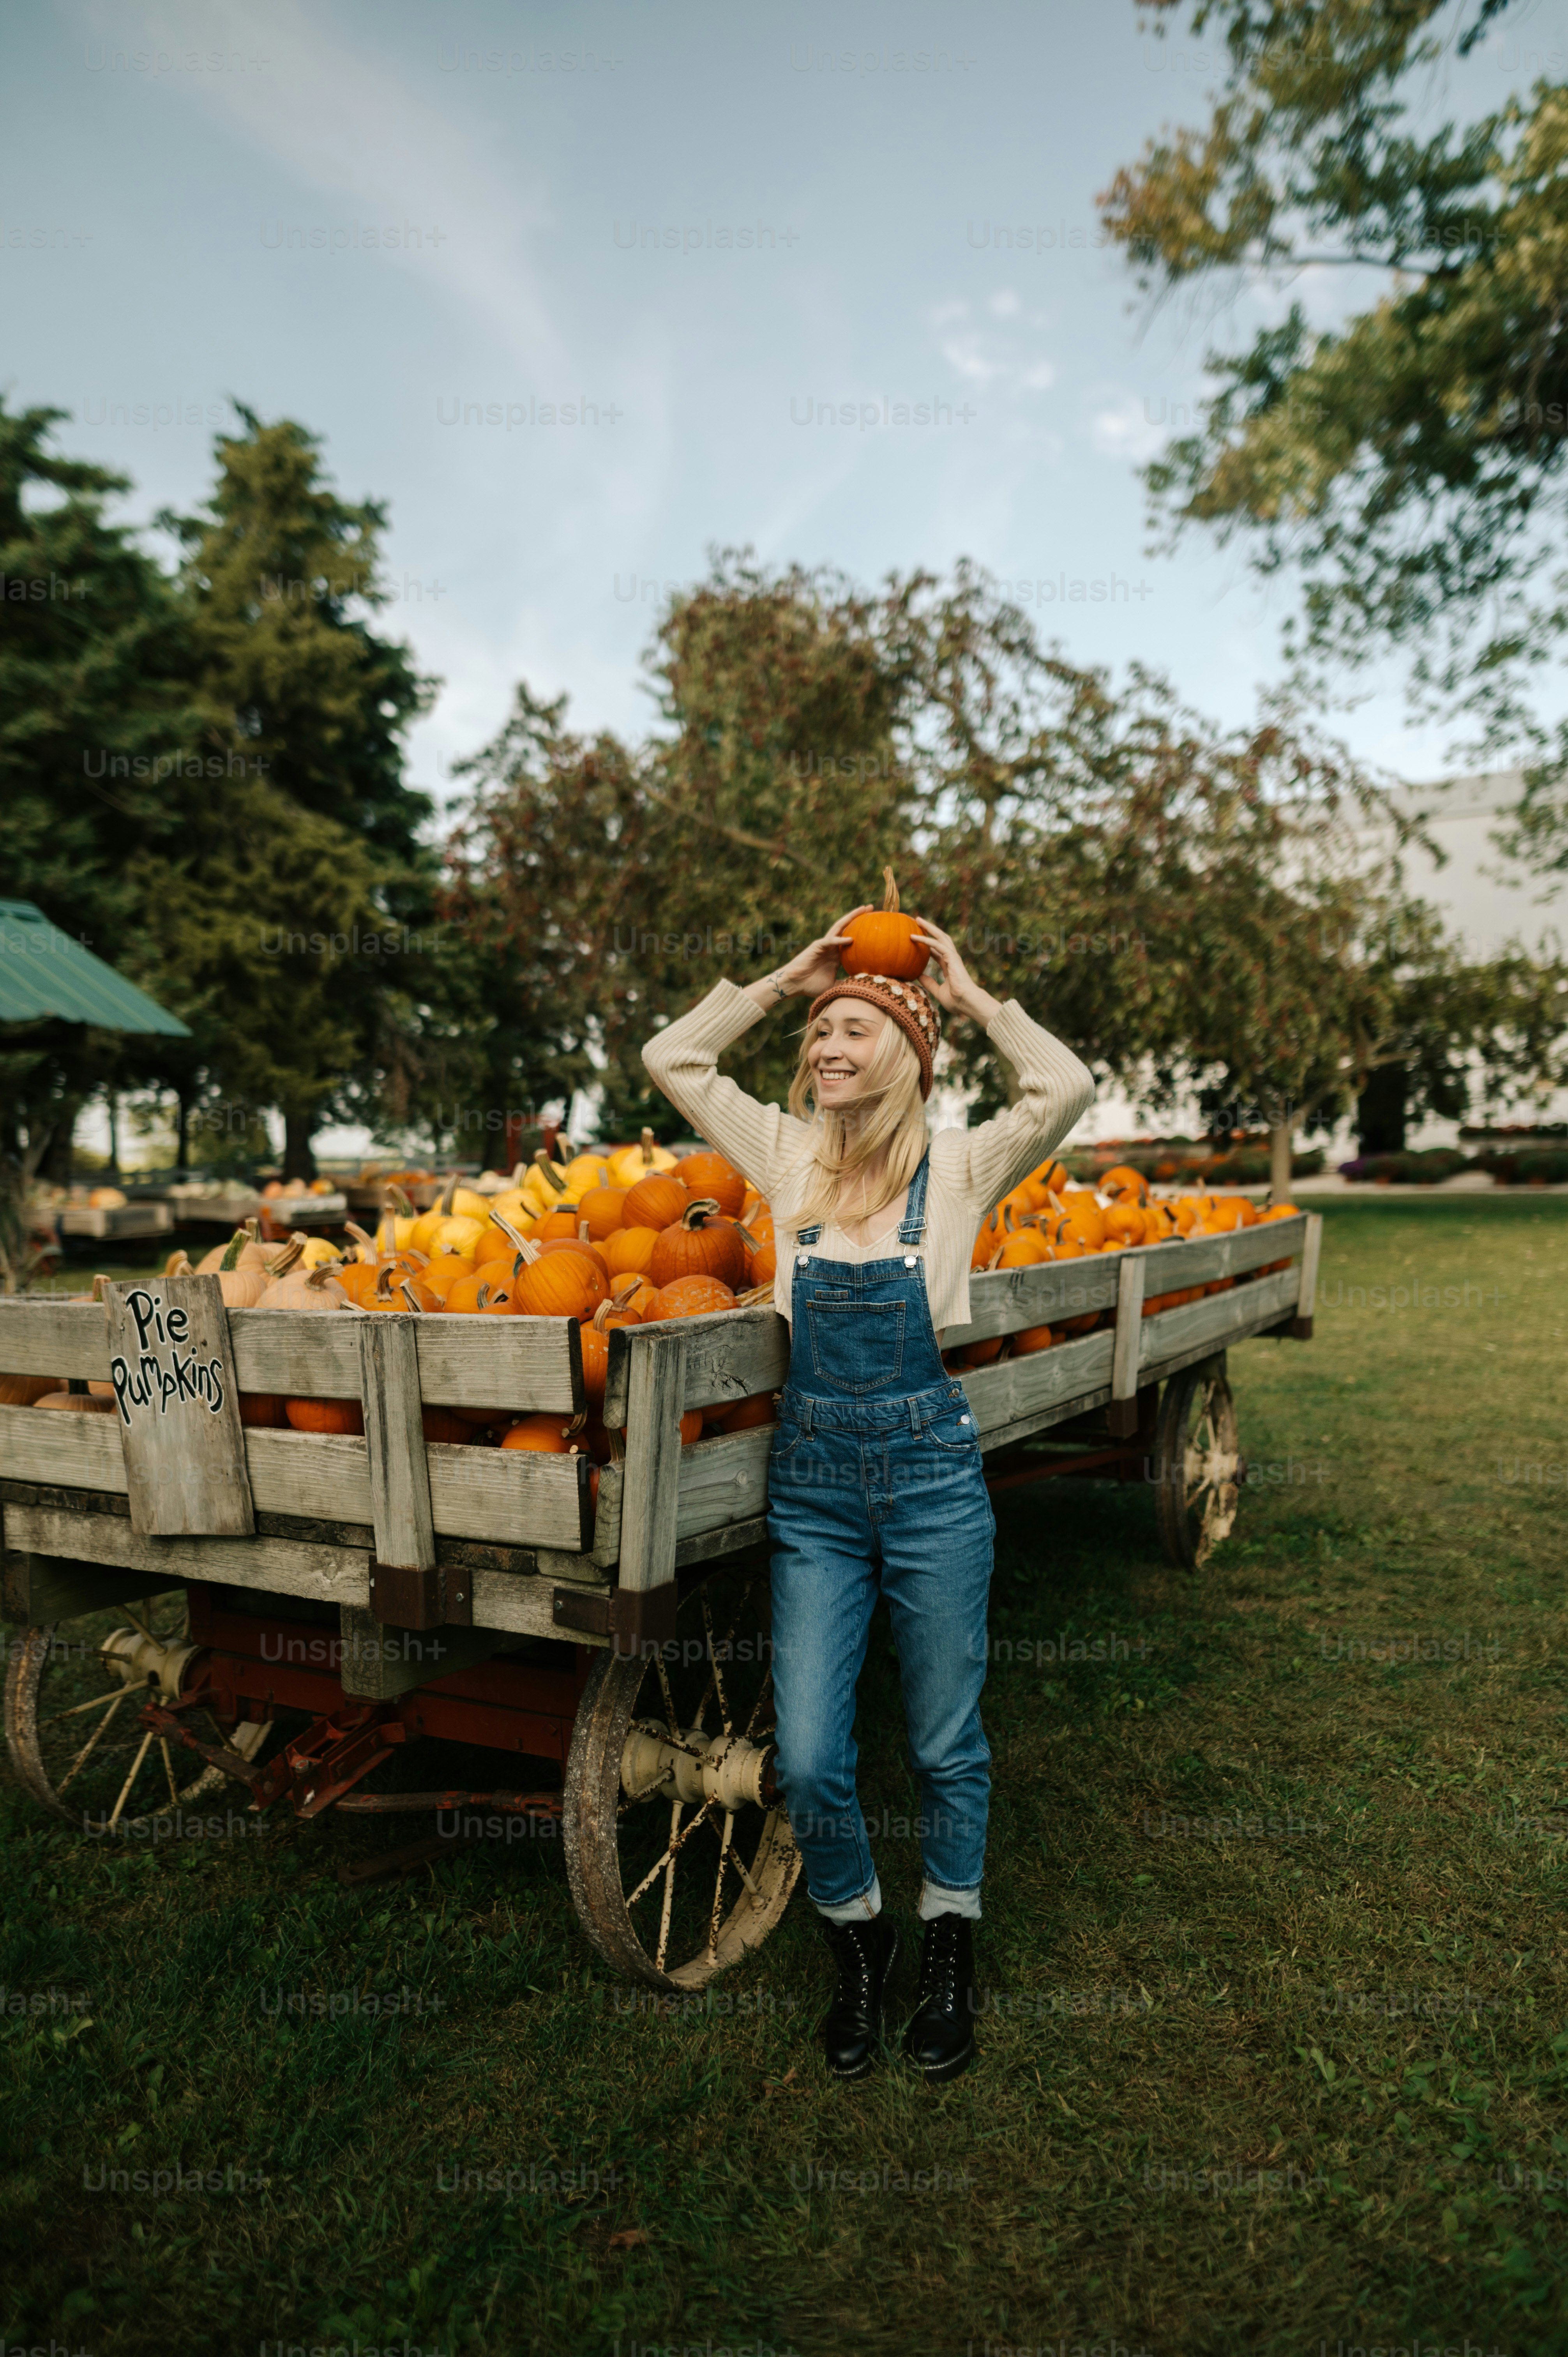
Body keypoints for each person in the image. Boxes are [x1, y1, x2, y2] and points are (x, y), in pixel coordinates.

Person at [641, 907, 1094, 2079]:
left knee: (945, 1743)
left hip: (934, 1478)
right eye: (820, 1032)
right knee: (809, 1759)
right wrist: (783, 978)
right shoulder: (785, 1155)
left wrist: (979, 998)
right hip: (817, 1492)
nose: (827, 1046)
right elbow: (673, 1060)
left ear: (906, 1051)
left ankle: (950, 1942)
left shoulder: (962, 1166)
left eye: (853, 1028)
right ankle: (857, 1940)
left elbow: (1067, 1085)